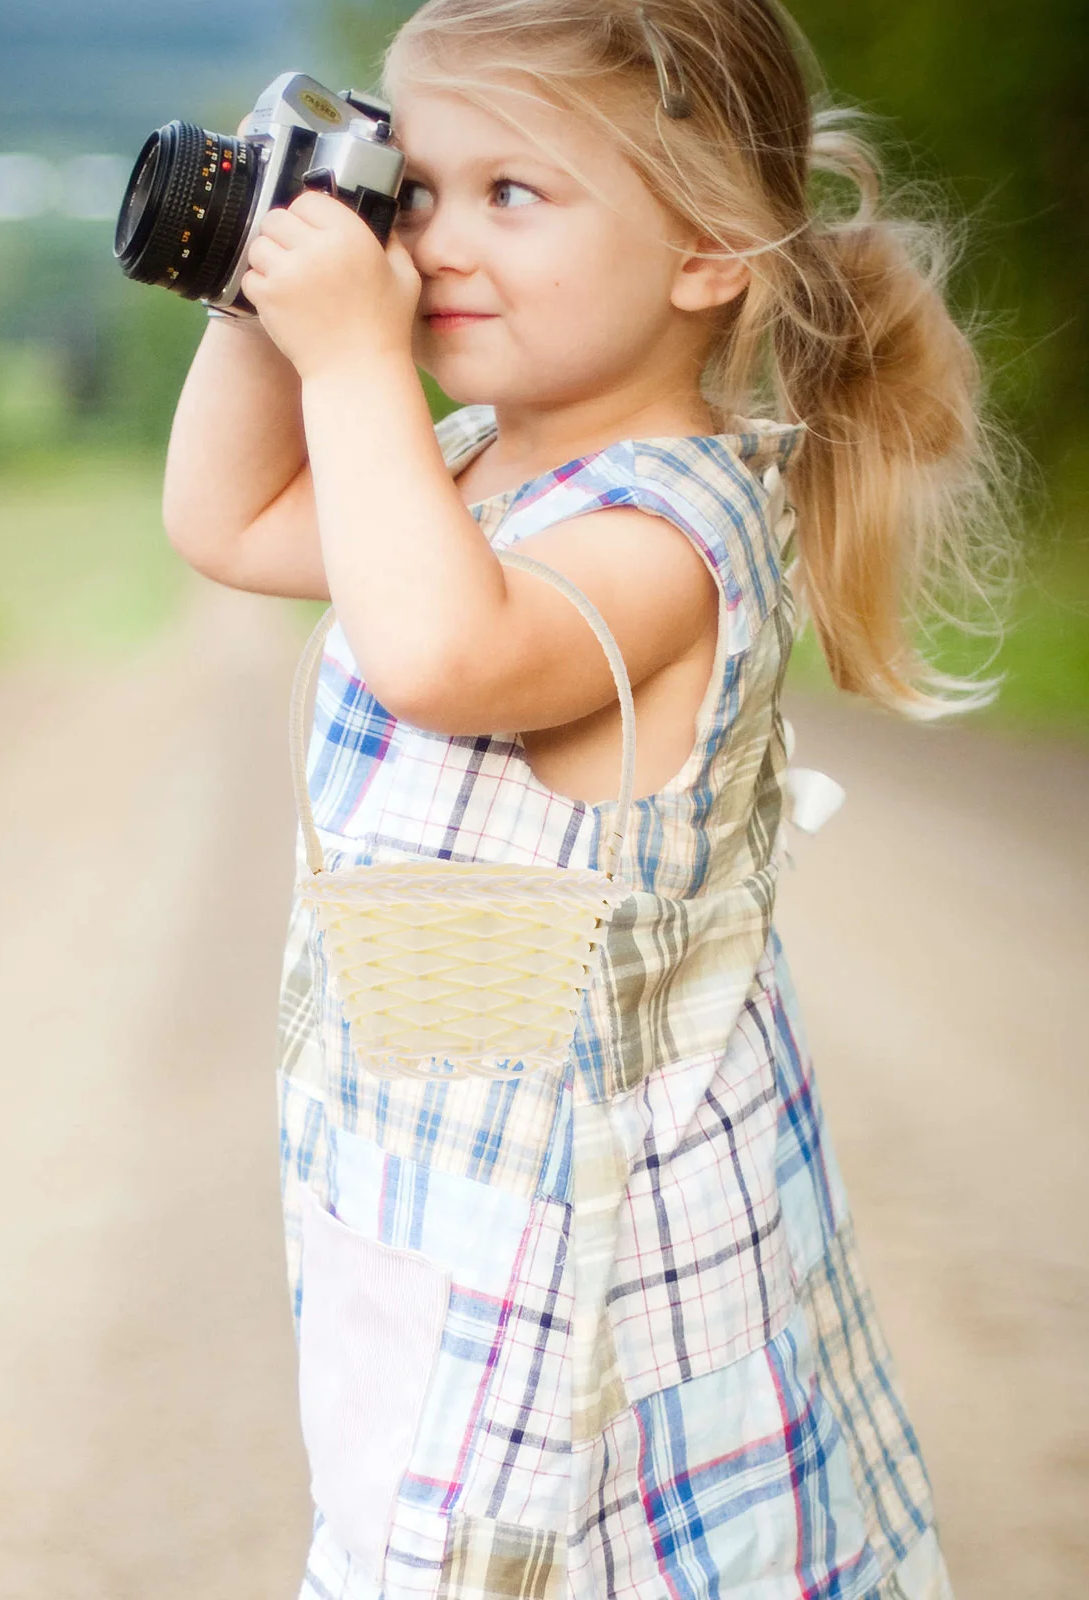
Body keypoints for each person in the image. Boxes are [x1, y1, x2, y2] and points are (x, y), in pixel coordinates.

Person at [161, 2, 1022, 1595]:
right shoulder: (475, 460)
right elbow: (230, 521)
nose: (433, 244)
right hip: (441, 1192)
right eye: (413, 192)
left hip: (598, 1262)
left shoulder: (669, 533)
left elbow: (438, 650)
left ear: (705, 251)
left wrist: (355, 354)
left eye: (514, 195)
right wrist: (260, 298)